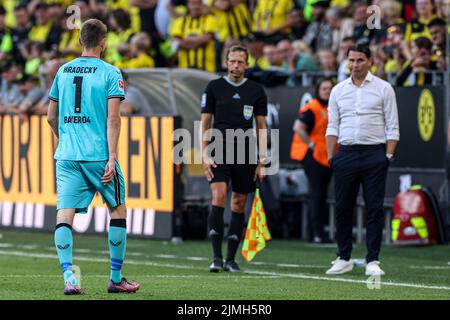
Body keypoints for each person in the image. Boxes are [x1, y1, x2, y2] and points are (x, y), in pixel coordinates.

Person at [47, 19, 140, 295]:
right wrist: (112, 156)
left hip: (67, 156)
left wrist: (65, 140)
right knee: (118, 209)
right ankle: (115, 277)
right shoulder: (111, 72)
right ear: (104, 43)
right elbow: (114, 118)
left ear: (79, 42)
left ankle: (69, 278)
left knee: (64, 214)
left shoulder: (62, 71)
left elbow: (51, 116)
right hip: (98, 155)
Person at [325, 44, 399, 276]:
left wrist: (387, 156)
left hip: (374, 154)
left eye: (359, 60)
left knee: (374, 208)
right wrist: (331, 157)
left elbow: (392, 126)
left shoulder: (384, 88)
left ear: (370, 61)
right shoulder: (338, 90)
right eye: (352, 60)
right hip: (345, 153)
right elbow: (332, 125)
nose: (355, 65)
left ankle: (373, 260)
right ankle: (343, 256)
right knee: (343, 207)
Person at [200, 45, 268, 273]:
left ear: (247, 65)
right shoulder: (214, 87)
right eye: (232, 61)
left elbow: (261, 126)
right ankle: (216, 257)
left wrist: (262, 160)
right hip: (219, 148)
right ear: (226, 63)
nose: (236, 65)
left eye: (240, 62)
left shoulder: (256, 91)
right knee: (218, 196)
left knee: (239, 202)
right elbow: (205, 122)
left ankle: (231, 259)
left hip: (246, 151)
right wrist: (204, 152)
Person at [290, 78, 334, 243]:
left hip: (326, 155)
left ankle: (313, 232)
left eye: (330, 88)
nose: (327, 91)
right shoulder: (313, 107)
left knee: (319, 194)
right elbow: (298, 127)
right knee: (317, 194)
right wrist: (310, 144)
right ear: (318, 90)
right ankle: (318, 233)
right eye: (324, 88)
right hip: (313, 155)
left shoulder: (332, 107)